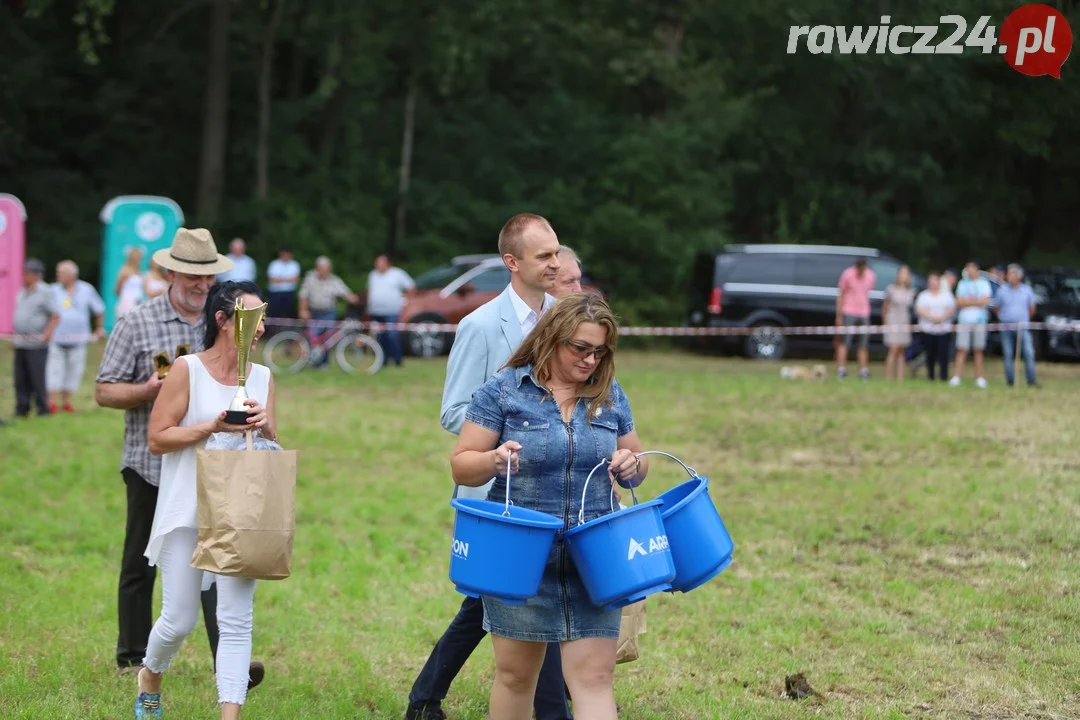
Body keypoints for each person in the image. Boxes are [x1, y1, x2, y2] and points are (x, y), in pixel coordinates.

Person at [452, 292, 647, 720]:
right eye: (580, 348)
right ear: (551, 338)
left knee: (595, 680)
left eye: (599, 351)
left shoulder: (610, 394)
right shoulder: (503, 392)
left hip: (594, 556)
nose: (590, 360)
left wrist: (632, 465)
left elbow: (639, 462)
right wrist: (493, 460)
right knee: (516, 678)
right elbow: (462, 466)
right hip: (520, 555)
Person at [407, 213, 569, 720]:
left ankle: (427, 698)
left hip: (558, 490)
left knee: (523, 599)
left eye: (557, 253)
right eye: (544, 256)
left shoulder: (564, 319)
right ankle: (427, 698)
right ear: (511, 263)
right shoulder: (479, 325)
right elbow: (453, 411)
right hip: (498, 492)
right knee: (496, 600)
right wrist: (513, 434)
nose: (556, 263)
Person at [95, 228, 266, 688]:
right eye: (191, 274)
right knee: (141, 563)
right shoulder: (137, 322)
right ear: (170, 272)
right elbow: (103, 390)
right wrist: (149, 390)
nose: (199, 283)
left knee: (220, 562)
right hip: (153, 466)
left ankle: (226, 663)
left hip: (218, 471)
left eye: (206, 275)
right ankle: (133, 656)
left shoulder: (224, 320)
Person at [137, 280, 276, 720]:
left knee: (235, 620)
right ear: (222, 320)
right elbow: (158, 438)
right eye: (250, 317)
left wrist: (267, 427)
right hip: (187, 508)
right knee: (178, 620)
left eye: (262, 317)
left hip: (239, 510)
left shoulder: (264, 376)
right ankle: (150, 675)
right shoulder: (186, 369)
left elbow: (270, 445)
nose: (260, 327)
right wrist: (212, 427)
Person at [48, 260, 105, 412]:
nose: (59, 276)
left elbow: (99, 309)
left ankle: (67, 402)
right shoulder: (52, 290)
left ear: (72, 275)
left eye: (62, 273)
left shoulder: (86, 289)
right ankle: (52, 403)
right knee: (54, 371)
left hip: (79, 339)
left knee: (74, 371)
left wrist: (99, 328)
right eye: (58, 273)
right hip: (56, 337)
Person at [13, 258, 60, 417]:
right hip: (20, 342)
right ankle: (22, 408)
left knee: (37, 377)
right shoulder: (22, 291)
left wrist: (47, 334)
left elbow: (55, 315)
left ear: (34, 274)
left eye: (25, 273)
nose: (23, 275)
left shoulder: (45, 292)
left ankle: (42, 408)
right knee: (20, 378)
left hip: (37, 344)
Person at [298, 256, 360, 367]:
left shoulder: (334, 280)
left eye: (326, 268)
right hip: (314, 311)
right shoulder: (310, 278)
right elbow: (303, 295)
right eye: (321, 268)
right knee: (315, 336)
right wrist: (303, 310)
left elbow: (344, 291)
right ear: (317, 268)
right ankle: (314, 361)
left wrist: (353, 298)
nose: (324, 271)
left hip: (329, 312)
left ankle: (324, 362)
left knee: (328, 338)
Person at [992, 264, 1039, 388]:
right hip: (1006, 327)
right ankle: (1010, 381)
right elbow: (996, 308)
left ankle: (1031, 380)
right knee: (1008, 354)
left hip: (1022, 327)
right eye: (1008, 273)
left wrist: (1023, 319)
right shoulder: (1002, 290)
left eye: (1012, 274)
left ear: (1019, 276)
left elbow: (1032, 308)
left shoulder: (1026, 290)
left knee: (1028, 353)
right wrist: (1005, 317)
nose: (1008, 276)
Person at [366, 254, 415, 367]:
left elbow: (411, 287)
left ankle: (398, 359)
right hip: (375, 312)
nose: (377, 265)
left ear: (387, 264)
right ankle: (383, 359)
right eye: (377, 263)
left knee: (392, 335)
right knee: (380, 337)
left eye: (380, 263)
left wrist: (405, 300)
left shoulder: (397, 274)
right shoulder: (373, 275)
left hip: (391, 311)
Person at [950, 260, 992, 388]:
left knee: (978, 349)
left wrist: (968, 301)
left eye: (971, 268)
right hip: (964, 321)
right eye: (967, 269)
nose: (969, 271)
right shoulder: (962, 283)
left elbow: (985, 301)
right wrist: (976, 301)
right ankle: (957, 377)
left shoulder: (984, 284)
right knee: (962, 348)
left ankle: (980, 377)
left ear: (977, 270)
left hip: (979, 321)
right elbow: (959, 302)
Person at [835, 256, 876, 380]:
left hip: (864, 313)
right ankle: (841, 370)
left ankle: (863, 371)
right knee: (845, 342)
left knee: (863, 344)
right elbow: (841, 294)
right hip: (849, 311)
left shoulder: (870, 276)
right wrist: (839, 315)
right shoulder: (847, 274)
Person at [914, 272, 957, 382]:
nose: (933, 283)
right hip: (928, 330)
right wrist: (932, 317)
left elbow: (952, 308)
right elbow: (919, 309)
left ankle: (943, 376)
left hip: (944, 330)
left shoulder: (946, 295)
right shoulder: (923, 295)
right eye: (931, 281)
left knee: (944, 354)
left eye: (935, 280)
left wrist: (941, 317)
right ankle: (931, 376)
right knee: (930, 355)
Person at [882, 265, 914, 382]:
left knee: (901, 350)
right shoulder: (891, 289)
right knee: (893, 349)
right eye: (902, 273)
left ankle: (900, 378)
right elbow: (885, 307)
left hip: (904, 321)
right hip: (893, 320)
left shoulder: (910, 291)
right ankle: (888, 377)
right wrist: (885, 322)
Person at [266, 247, 301, 322]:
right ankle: (271, 331)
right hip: (275, 293)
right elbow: (272, 280)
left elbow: (296, 279)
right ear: (280, 254)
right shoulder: (274, 264)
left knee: (289, 313)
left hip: (289, 293)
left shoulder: (295, 264)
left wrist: (279, 279)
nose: (286, 256)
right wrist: (289, 279)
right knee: (274, 313)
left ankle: (289, 330)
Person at [116, 247, 146, 318]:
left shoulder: (139, 272)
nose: (140, 260)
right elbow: (117, 289)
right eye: (139, 258)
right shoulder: (124, 270)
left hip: (139, 302)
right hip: (127, 302)